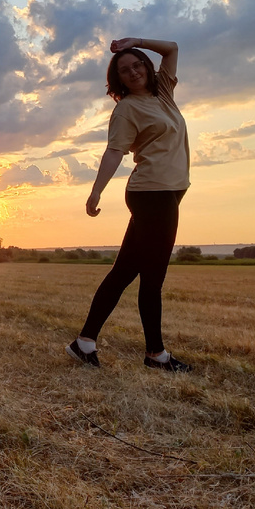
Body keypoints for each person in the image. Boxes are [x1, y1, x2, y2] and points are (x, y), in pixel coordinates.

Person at [66, 36, 192, 372]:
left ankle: (84, 343)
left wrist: (134, 41)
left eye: (137, 64)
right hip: (152, 194)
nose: (133, 71)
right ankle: (156, 355)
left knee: (123, 273)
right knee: (152, 279)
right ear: (118, 80)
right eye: (124, 70)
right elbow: (114, 152)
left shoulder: (163, 92)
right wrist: (96, 192)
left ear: (147, 67)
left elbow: (172, 48)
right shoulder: (126, 109)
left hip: (166, 193)